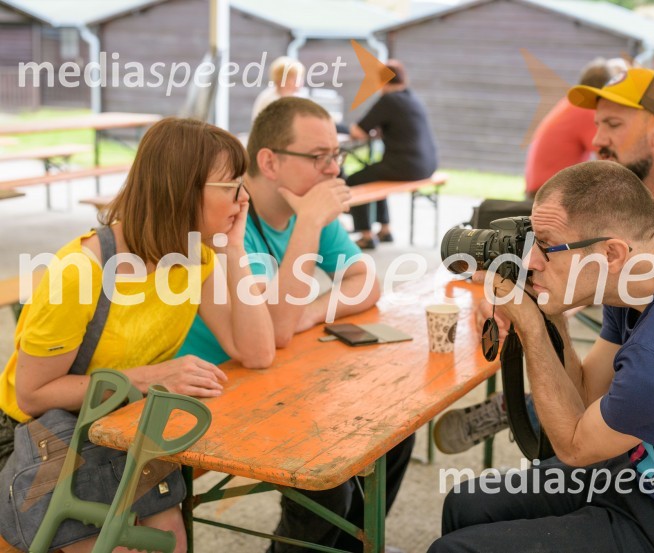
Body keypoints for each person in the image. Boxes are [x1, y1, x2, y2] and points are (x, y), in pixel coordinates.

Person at [429, 161, 654, 552]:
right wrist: (552, 313)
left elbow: (573, 446)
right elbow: (585, 395)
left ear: (611, 253)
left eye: (546, 247)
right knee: (467, 505)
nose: (532, 261)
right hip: (649, 471)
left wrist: (530, 325)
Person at [434, 68, 654, 455]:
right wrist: (541, 292)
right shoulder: (604, 210)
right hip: (635, 372)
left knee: (568, 443)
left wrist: (552, 308)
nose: (596, 140)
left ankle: (526, 408)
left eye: (612, 124)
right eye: (596, 125)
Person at [0, 117, 275, 552]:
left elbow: (257, 351)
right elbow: (33, 396)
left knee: (168, 539)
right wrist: (149, 378)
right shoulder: (81, 271)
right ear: (181, 189)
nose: (244, 200)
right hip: (40, 436)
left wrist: (234, 249)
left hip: (125, 424)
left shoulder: (196, 255)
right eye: (231, 187)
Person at [178, 97, 412, 553]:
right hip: (215, 388)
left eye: (336, 155)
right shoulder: (227, 216)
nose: (333, 171)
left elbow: (366, 282)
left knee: (394, 433)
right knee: (327, 480)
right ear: (269, 161)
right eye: (318, 157)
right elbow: (274, 332)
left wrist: (308, 311)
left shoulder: (305, 207)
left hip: (266, 377)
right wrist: (307, 224)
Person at [347, 59, 438, 249]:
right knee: (374, 175)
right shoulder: (411, 97)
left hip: (408, 166)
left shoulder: (388, 99)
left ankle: (366, 235)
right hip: (427, 165)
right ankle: (385, 229)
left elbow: (358, 131)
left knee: (356, 179)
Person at [524, 58, 621, 200]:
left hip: (538, 190)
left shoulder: (571, 104)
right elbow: (608, 157)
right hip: (548, 194)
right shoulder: (586, 110)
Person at [251, 57, 307, 122]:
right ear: (281, 80)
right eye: (294, 78)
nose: (300, 81)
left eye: (300, 77)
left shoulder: (299, 96)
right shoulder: (269, 99)